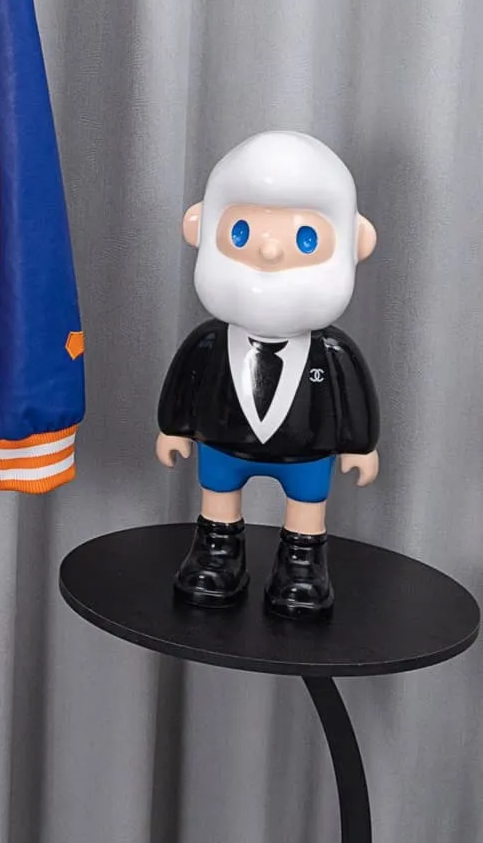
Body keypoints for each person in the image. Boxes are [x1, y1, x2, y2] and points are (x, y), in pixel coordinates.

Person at [156, 131, 380, 618]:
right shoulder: (210, 343)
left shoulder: (332, 352)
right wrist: (173, 428)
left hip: (305, 452)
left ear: (358, 242)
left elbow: (353, 396)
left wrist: (360, 445)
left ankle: (302, 563)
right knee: (218, 494)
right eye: (241, 232)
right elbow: (184, 383)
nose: (271, 253)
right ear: (198, 226)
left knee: (307, 504)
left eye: (305, 239)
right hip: (223, 445)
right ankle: (217, 552)